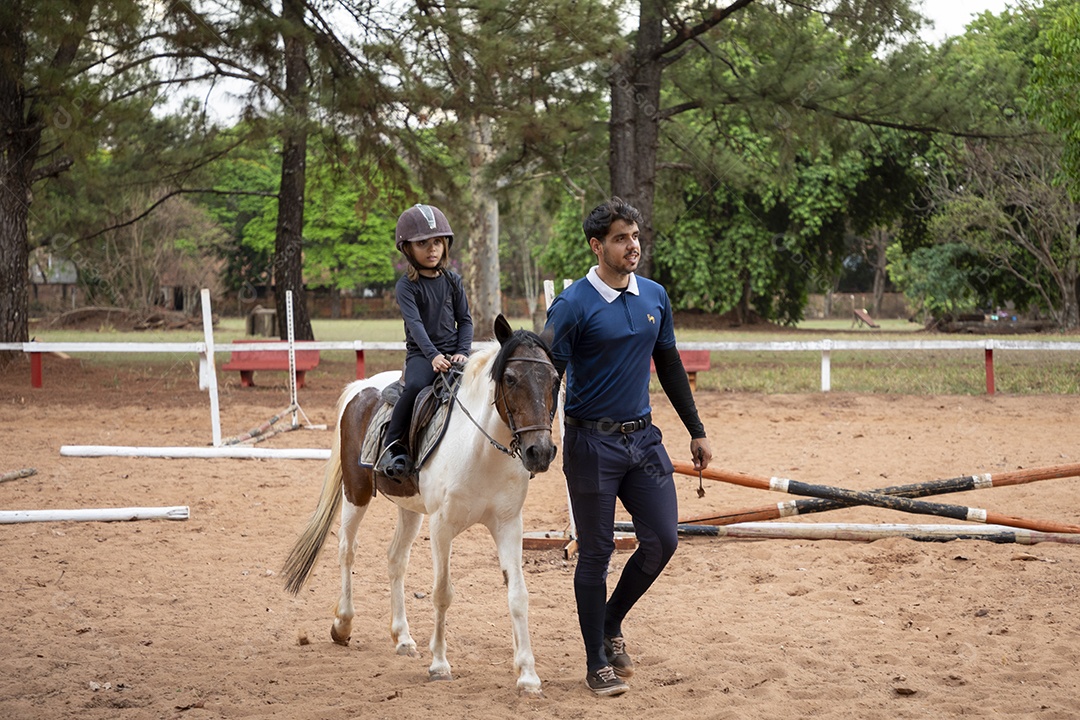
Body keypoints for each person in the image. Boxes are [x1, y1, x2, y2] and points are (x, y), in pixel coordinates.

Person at [544, 196, 712, 697]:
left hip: (644, 440)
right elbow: (546, 374)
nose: (632, 245)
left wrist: (696, 429)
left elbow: (671, 366)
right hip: (591, 444)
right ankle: (596, 659)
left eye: (635, 236)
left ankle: (611, 620)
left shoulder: (655, 296)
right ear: (598, 246)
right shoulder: (572, 304)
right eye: (621, 238)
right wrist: (540, 439)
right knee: (595, 553)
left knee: (663, 539)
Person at [375, 203, 473, 480]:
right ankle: (392, 445)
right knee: (416, 386)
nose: (432, 249)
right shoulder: (406, 286)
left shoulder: (453, 281)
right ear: (408, 248)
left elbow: (465, 320)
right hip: (422, 355)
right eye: (423, 243)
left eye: (437, 243)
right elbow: (415, 325)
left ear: (445, 245)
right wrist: (432, 355)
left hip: (455, 353)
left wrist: (463, 352)